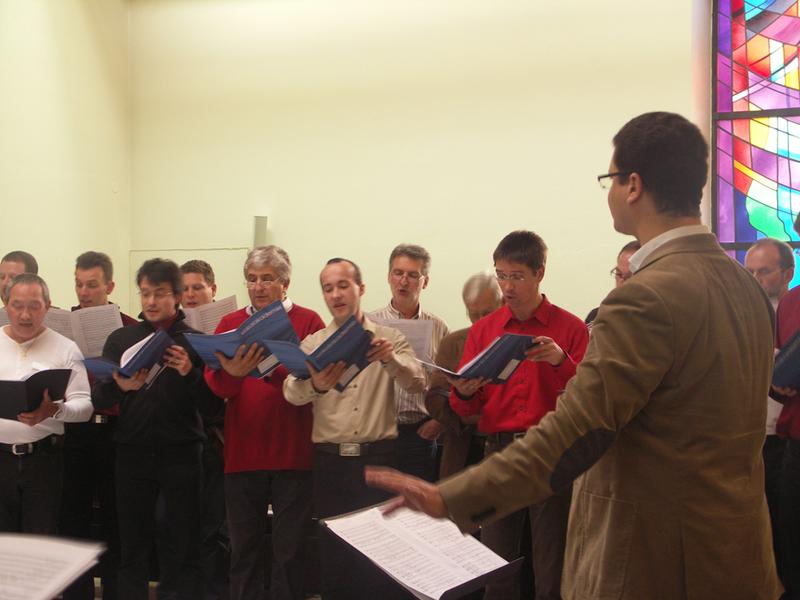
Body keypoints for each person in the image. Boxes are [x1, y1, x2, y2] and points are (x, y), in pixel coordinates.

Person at [367, 111, 782, 600]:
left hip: (658, 561)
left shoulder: (644, 297)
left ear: (633, 185)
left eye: (610, 178)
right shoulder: (746, 287)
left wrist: (452, 498)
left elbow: (576, 431)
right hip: (739, 555)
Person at [444, 230, 588, 600]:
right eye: (501, 276)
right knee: (495, 565)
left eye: (517, 276)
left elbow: (590, 399)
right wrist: (463, 392)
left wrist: (561, 361)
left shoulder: (570, 328)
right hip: (500, 450)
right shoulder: (484, 330)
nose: (507, 287)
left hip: (551, 450)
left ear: (540, 273)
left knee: (551, 564)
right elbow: (466, 408)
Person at [283, 258, 425, 600]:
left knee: (380, 560)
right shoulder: (314, 343)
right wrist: (315, 385)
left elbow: (418, 382)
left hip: (379, 460)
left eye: (343, 286)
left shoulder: (389, 338)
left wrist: (391, 359)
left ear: (360, 288)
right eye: (328, 288)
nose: (335, 295)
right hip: (331, 463)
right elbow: (290, 392)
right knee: (335, 559)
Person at [92, 258, 222, 600]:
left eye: (160, 293)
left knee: (182, 542)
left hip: (182, 454)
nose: (151, 301)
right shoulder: (122, 338)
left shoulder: (196, 342)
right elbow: (99, 397)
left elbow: (213, 409)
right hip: (132, 453)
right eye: (145, 293)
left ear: (177, 296)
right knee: (132, 544)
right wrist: (121, 386)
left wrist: (189, 374)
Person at [204, 246, 325, 600]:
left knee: (290, 551)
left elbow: (319, 382)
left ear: (285, 282)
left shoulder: (309, 321)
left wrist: (280, 367)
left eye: (267, 279)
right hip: (243, 453)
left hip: (294, 453)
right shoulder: (229, 324)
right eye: (252, 279)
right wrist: (234, 373)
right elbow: (218, 387)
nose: (258, 287)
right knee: (244, 550)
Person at [61, 251, 137, 600]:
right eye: (79, 284)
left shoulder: (129, 327)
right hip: (74, 431)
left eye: (92, 285)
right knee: (72, 519)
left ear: (110, 286)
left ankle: (115, 592)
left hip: (115, 430)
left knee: (115, 519)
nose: (83, 292)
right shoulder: (62, 326)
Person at [0, 274, 93, 535]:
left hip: (43, 461)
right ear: (6, 304)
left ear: (48, 306)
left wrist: (55, 410)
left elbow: (85, 406)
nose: (25, 315)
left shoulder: (66, 348)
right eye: (17, 306)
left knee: (39, 540)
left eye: (34, 306)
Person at [369, 244, 449, 482]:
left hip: (419, 434)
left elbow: (450, 382)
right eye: (398, 273)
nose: (403, 281)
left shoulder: (439, 327)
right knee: (375, 503)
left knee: (417, 504)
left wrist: (439, 422)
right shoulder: (369, 324)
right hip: (377, 434)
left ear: (425, 282)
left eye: (413, 275)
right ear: (388, 277)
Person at [177, 258, 229, 600]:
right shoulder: (173, 333)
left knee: (215, 528)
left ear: (213, 289)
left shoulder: (228, 327)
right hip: (181, 439)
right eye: (184, 289)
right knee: (181, 527)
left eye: (198, 287)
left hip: (217, 439)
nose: (191, 295)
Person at [744, 237, 794, 584]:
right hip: (747, 435)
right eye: (749, 272)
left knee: (784, 528)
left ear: (788, 273)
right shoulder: (739, 311)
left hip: (784, 433)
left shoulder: (790, 307)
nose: (755, 279)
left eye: (764, 271)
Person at [425, 270, 503, 479]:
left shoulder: (516, 342)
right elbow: (434, 398)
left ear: (503, 304)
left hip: (507, 451)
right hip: (463, 450)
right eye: (473, 314)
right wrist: (461, 405)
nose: (480, 321)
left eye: (487, 313)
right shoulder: (453, 343)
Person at [584, 240, 640, 327]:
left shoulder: (657, 321)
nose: (622, 281)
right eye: (619, 274)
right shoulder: (596, 317)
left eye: (630, 276)